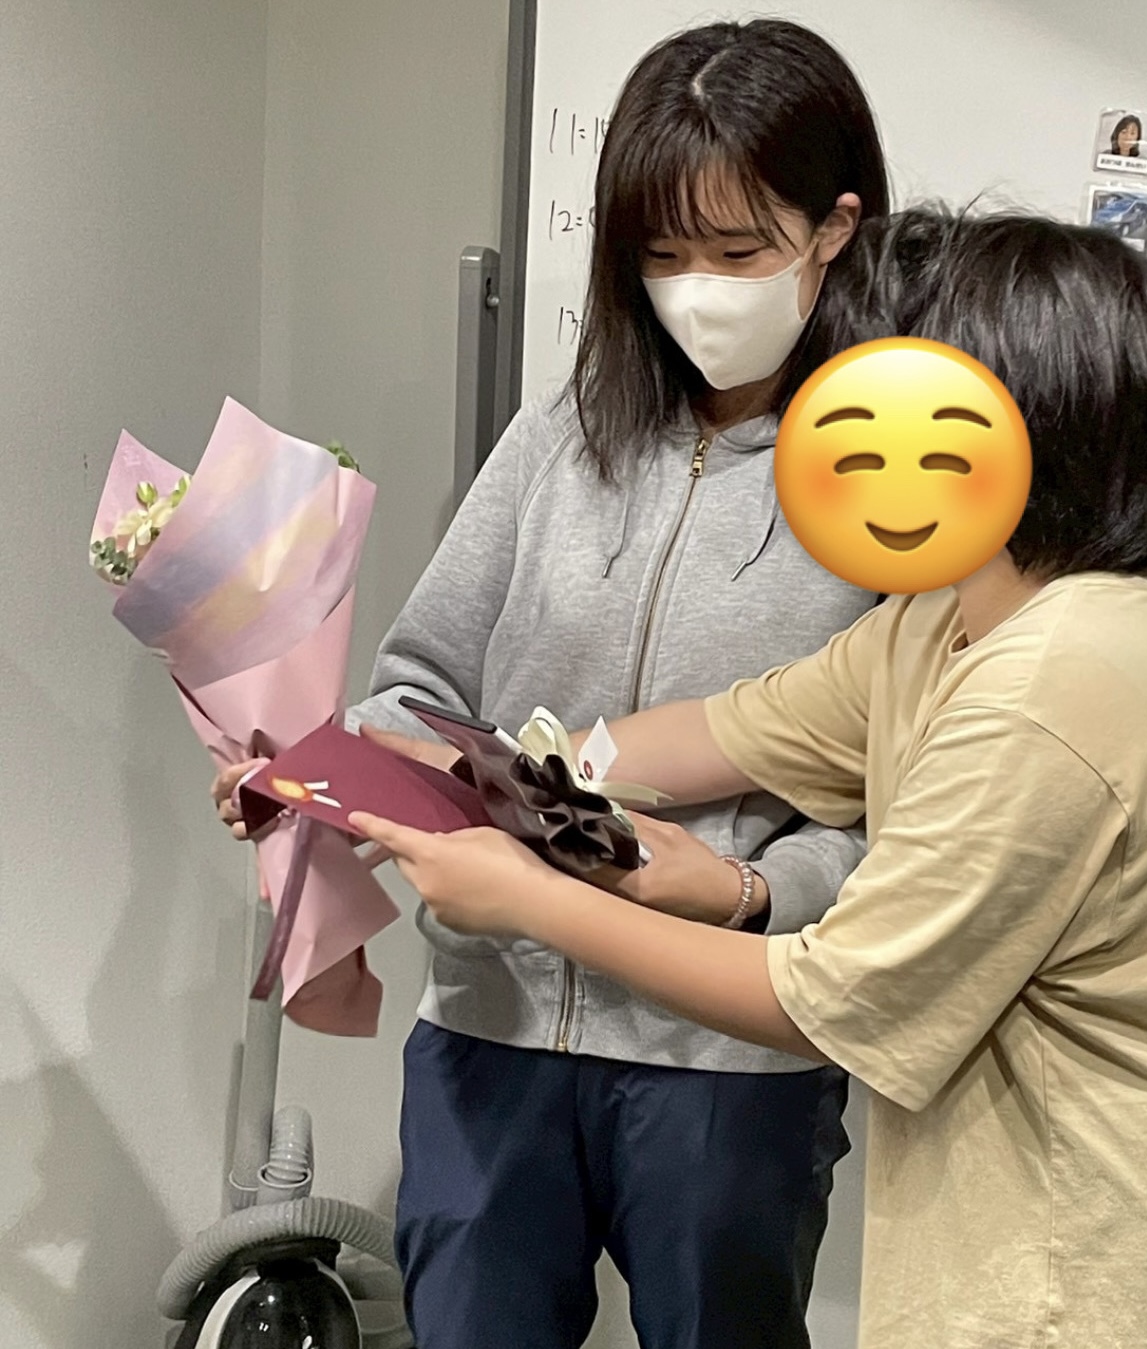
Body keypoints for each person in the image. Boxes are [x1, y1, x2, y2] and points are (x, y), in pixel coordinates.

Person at [353, 208, 1147, 1349]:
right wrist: (451, 767)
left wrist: (535, 894)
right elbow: (725, 732)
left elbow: (824, 999)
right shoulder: (938, 622)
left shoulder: (1055, 681)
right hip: (985, 1244)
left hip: (1067, 1275)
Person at [215, 18, 890, 1349]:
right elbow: (416, 687)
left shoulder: (895, 481)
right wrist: (316, 777)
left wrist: (756, 890)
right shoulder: (563, 430)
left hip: (724, 1053)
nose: (694, 289)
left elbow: (901, 803)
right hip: (495, 1023)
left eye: (737, 250)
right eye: (661, 253)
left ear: (833, 229)